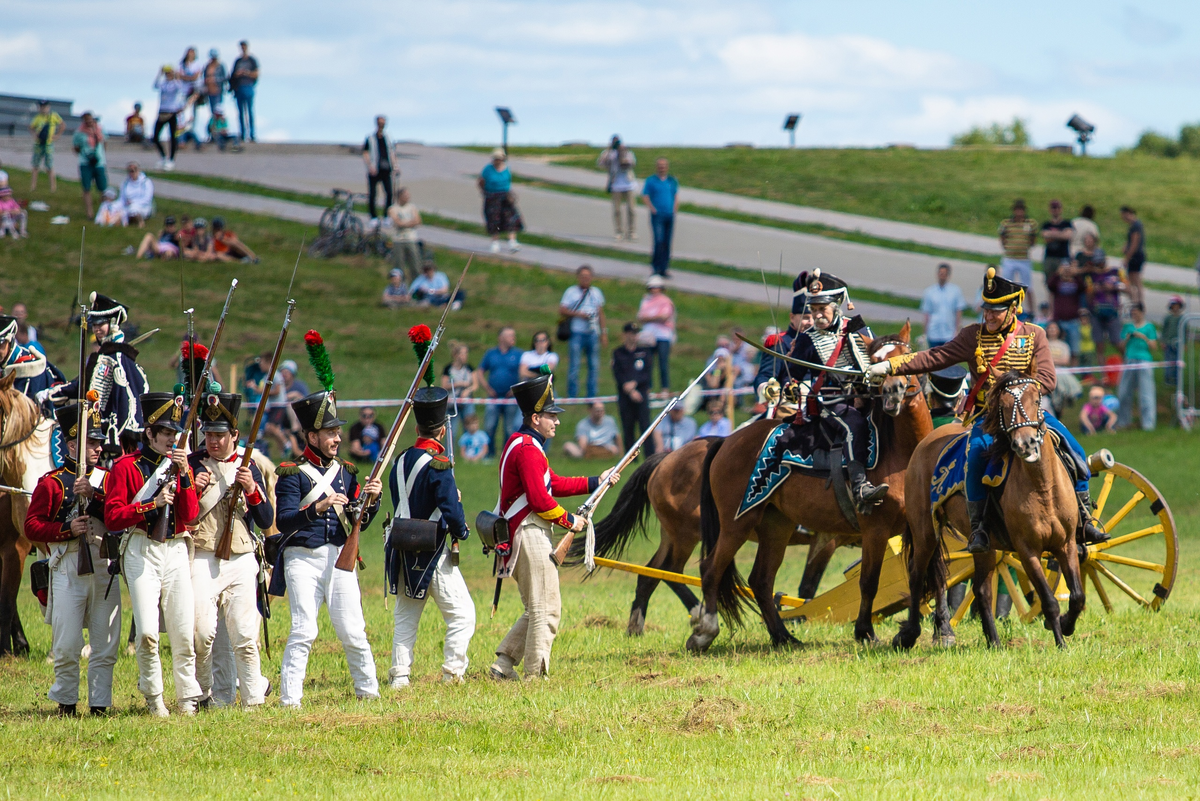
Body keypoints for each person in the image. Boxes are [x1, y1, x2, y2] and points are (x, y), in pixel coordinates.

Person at [869, 267, 1108, 553]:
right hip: (990, 419)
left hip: (1030, 417)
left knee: (1075, 450)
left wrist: (1018, 393)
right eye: (986, 310)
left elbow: (1047, 379)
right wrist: (891, 366)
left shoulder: (1035, 336)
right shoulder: (973, 336)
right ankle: (979, 528)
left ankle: (1083, 519)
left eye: (996, 311)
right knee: (977, 454)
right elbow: (935, 356)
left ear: (1013, 309)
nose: (989, 316)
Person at [270, 371, 383, 708]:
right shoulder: (291, 472)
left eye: (337, 431)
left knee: (353, 630)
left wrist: (371, 502)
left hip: (339, 557)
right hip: (301, 558)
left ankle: (369, 692)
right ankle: (290, 700)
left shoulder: (347, 472)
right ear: (311, 436)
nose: (337, 438)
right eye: (330, 432)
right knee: (304, 629)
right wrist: (317, 507)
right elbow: (284, 520)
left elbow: (357, 521)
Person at [490, 374, 611, 681]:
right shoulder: (528, 449)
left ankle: (503, 666)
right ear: (535, 417)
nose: (556, 422)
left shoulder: (526, 444)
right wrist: (571, 521)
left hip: (526, 530)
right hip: (528, 532)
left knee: (537, 607)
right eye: (551, 416)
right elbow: (540, 500)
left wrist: (598, 481)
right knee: (546, 610)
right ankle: (535, 676)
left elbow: (553, 483)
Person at [103, 389, 201, 716]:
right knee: (146, 631)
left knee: (183, 630)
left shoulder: (180, 467)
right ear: (150, 433)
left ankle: (188, 697)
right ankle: (154, 696)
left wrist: (185, 474)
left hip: (175, 550)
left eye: (176, 434)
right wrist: (151, 504)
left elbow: (189, 515)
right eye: (167, 434)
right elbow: (113, 517)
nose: (172, 440)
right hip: (141, 548)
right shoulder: (125, 468)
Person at [758, 270, 886, 508]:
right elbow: (790, 376)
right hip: (831, 401)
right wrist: (787, 377)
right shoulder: (807, 339)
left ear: (836, 307)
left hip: (869, 396)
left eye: (821, 309)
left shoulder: (859, 329)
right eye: (813, 309)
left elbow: (877, 360)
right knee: (854, 424)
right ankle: (860, 486)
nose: (816, 314)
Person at [24, 403, 118, 717]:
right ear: (72, 445)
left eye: (99, 442)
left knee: (105, 643)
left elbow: (119, 519)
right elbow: (32, 525)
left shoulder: (107, 481)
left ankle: (100, 704)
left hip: (103, 565)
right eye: (91, 442)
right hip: (67, 565)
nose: (98, 447)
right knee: (66, 644)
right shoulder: (51, 483)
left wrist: (95, 495)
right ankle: (66, 702)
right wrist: (66, 528)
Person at [188, 391, 273, 709]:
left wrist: (251, 489)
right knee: (202, 632)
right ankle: (208, 692)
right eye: (208, 434)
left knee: (243, 636)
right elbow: (183, 516)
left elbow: (266, 519)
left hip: (240, 556)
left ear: (234, 435)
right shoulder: (195, 464)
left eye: (219, 435)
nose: (213, 441)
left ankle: (252, 699)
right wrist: (194, 490)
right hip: (203, 554)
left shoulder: (249, 466)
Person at [385, 387, 474, 688]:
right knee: (463, 615)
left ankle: (400, 676)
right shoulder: (440, 465)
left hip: (401, 546)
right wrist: (462, 530)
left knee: (406, 618)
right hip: (432, 549)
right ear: (443, 428)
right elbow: (450, 509)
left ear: (417, 427)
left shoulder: (399, 461)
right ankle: (452, 673)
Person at [42, 293, 148, 458]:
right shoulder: (102, 357)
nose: (97, 329)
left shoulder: (118, 357)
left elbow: (128, 398)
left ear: (113, 323)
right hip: (97, 429)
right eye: (94, 325)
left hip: (113, 436)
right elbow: (83, 385)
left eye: (102, 324)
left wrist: (121, 436)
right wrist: (52, 392)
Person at [559, 265, 608, 398]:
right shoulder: (571, 292)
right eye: (583, 277)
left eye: (588, 277)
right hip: (577, 332)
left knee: (594, 366)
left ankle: (591, 396)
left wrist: (603, 332)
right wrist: (579, 314)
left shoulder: (596, 292)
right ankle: (572, 395)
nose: (585, 279)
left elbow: (600, 313)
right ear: (578, 277)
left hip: (592, 333)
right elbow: (562, 309)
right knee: (574, 365)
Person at [476, 327, 523, 456]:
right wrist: (487, 388)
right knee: (490, 426)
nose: (513, 338)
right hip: (493, 397)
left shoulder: (518, 354)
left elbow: (523, 373)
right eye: (509, 335)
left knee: (510, 428)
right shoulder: (491, 354)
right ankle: (489, 454)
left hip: (511, 398)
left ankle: (507, 454)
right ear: (501, 338)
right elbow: (480, 372)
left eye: (513, 335)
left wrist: (516, 389)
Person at [612, 322, 656, 458]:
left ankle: (650, 456)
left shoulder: (644, 352)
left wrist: (635, 384)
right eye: (631, 333)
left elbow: (647, 374)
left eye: (636, 333)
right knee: (628, 427)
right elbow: (618, 373)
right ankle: (631, 458)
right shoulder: (619, 353)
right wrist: (629, 389)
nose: (634, 336)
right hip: (625, 395)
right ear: (625, 334)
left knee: (645, 426)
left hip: (641, 394)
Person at [1080, 234, 1125, 362]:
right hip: (1096, 312)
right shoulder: (1091, 276)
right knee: (1099, 344)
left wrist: (1113, 287)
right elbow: (1088, 295)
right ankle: (1103, 375)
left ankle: (1128, 362)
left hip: (1112, 310)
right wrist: (1094, 289)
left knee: (1116, 341)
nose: (1098, 265)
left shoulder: (1115, 272)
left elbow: (1127, 288)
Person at [1117, 303, 1157, 431]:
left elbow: (1154, 347)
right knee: (1124, 392)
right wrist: (1128, 338)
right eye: (1132, 313)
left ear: (1141, 312)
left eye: (1136, 312)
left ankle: (1148, 424)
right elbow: (1121, 347)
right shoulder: (1128, 327)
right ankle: (1123, 421)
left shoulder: (1149, 327)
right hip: (1130, 359)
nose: (1134, 315)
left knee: (1146, 393)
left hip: (1144, 360)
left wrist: (1143, 337)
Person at [998, 199, 1038, 313]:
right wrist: (1007, 246)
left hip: (1024, 259)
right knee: (1006, 285)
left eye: (1021, 210)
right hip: (1010, 258)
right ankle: (1005, 307)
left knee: (1027, 285)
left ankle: (1031, 311)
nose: (1019, 213)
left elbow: (1033, 239)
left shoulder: (1030, 224)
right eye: (1017, 210)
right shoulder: (1006, 223)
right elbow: (1002, 237)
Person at [637, 275, 676, 391]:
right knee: (647, 363)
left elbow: (665, 317)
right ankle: (647, 388)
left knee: (663, 364)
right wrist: (656, 317)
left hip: (663, 336)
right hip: (648, 336)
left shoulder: (666, 301)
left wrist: (649, 318)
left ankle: (665, 388)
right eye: (652, 287)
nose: (654, 289)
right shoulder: (645, 300)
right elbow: (640, 317)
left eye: (657, 287)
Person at [642, 158, 679, 277]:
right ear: (657, 167)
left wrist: (674, 209)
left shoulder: (671, 181)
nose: (662, 167)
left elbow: (676, 195)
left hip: (669, 215)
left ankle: (664, 268)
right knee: (659, 241)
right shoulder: (651, 181)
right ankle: (656, 267)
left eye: (664, 165)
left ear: (667, 167)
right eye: (660, 165)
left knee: (667, 242)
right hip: (658, 215)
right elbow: (645, 195)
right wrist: (652, 208)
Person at [479, 149, 522, 253]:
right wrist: (484, 192)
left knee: (510, 219)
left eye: (500, 159)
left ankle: (512, 242)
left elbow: (508, 182)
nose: (498, 161)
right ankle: (495, 243)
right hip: (492, 197)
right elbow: (481, 181)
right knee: (494, 220)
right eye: (496, 159)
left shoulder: (507, 169)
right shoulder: (487, 170)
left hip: (505, 197)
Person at [1045, 255, 1085, 363]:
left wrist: (1075, 274)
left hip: (1073, 320)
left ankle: (1073, 372)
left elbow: (1083, 288)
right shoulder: (1057, 281)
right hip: (1059, 320)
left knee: (1074, 350)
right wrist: (1058, 273)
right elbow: (1049, 285)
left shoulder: (1076, 281)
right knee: (1058, 347)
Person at [597, 135, 637, 240]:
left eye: (618, 142)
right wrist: (609, 151)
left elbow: (632, 163)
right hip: (616, 184)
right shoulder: (610, 154)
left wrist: (623, 154)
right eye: (615, 143)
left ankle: (632, 232)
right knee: (617, 210)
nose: (617, 145)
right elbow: (600, 163)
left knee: (631, 209)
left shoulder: (628, 152)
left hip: (628, 184)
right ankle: (619, 232)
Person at [920, 263, 967, 348]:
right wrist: (925, 333)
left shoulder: (955, 291)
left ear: (948, 275)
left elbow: (958, 312)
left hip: (949, 334)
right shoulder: (930, 292)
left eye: (944, 274)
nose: (942, 276)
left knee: (949, 359)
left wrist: (958, 330)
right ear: (937, 274)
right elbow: (927, 313)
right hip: (933, 333)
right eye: (941, 273)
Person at [152, 65, 189, 170]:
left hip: (172, 112)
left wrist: (177, 75)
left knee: (172, 137)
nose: (168, 75)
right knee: (155, 137)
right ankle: (163, 157)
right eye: (167, 73)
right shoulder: (163, 84)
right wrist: (159, 73)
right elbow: (155, 85)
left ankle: (171, 159)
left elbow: (180, 87)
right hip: (162, 111)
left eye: (170, 73)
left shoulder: (175, 84)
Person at [72, 112, 107, 219]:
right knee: (86, 188)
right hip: (85, 163)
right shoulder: (79, 133)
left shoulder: (100, 130)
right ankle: (89, 213)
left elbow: (105, 143)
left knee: (103, 188)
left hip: (99, 163)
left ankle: (104, 212)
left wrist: (100, 155)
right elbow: (75, 148)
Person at [363, 116, 393, 224]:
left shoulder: (388, 138)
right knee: (373, 195)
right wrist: (370, 166)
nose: (382, 126)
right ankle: (373, 217)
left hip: (386, 169)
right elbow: (365, 152)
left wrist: (395, 166)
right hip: (375, 170)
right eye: (380, 123)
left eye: (384, 124)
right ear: (376, 124)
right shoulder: (370, 138)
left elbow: (391, 152)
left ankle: (386, 216)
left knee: (389, 193)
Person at [387, 187, 422, 280]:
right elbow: (397, 222)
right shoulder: (393, 208)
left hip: (411, 239)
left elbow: (418, 221)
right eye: (405, 195)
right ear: (400, 196)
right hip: (398, 240)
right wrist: (410, 223)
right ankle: (400, 286)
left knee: (415, 264)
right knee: (399, 265)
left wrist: (404, 223)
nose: (408, 197)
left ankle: (416, 285)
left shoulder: (412, 207)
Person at [29, 99, 64, 193]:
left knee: (49, 165)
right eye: (41, 107)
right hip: (39, 143)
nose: (43, 109)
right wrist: (34, 135)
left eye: (45, 107)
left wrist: (57, 135)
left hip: (48, 144)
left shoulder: (54, 116)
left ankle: (53, 186)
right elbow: (31, 127)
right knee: (35, 165)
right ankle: (33, 185)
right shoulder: (37, 118)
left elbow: (62, 125)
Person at [441, 343, 477, 431]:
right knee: (451, 429)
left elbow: (475, 385)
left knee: (469, 428)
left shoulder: (469, 368)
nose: (465, 356)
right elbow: (444, 386)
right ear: (456, 355)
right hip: (452, 402)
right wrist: (459, 384)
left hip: (466, 401)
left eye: (466, 353)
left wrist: (468, 390)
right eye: (462, 353)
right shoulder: (448, 369)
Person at [230, 41, 259, 143]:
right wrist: (237, 75)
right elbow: (232, 75)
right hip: (239, 88)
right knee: (241, 112)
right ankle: (242, 134)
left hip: (248, 86)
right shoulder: (238, 61)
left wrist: (246, 73)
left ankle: (252, 134)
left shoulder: (252, 60)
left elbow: (256, 73)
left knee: (250, 111)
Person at [1040, 199, 1074, 283]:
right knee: (1049, 282)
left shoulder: (1067, 223)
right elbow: (1045, 236)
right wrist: (1060, 234)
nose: (1055, 210)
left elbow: (1068, 236)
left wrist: (1052, 234)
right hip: (1049, 257)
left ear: (1060, 209)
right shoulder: (1046, 224)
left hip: (1062, 257)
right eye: (1053, 208)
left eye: (1057, 208)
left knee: (1063, 281)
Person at [1121, 206, 1147, 307]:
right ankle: (1136, 301)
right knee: (1133, 280)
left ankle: (1138, 302)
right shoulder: (1135, 225)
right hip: (1137, 255)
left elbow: (1134, 243)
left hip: (1135, 256)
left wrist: (1127, 258)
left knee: (1135, 280)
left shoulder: (1135, 226)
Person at [119, 162, 154, 227]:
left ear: (138, 170)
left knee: (133, 209)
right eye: (130, 171)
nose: (132, 173)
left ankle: (140, 221)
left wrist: (133, 202)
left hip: (143, 206)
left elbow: (147, 199)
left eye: (133, 171)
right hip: (128, 205)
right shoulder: (125, 183)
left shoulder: (146, 182)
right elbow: (122, 198)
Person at [1163, 296, 1185, 388]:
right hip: (1168, 343)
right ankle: (1168, 378)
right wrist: (1163, 341)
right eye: (1173, 306)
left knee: (1177, 361)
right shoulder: (1168, 318)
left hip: (1178, 343)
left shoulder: (1183, 319)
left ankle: (1176, 379)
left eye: (1177, 306)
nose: (1175, 308)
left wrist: (1184, 343)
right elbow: (1164, 330)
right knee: (1168, 361)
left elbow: (1185, 331)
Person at [202, 49, 227, 129]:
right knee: (212, 112)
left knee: (218, 111)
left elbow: (224, 78)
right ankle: (213, 130)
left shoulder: (221, 66)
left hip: (218, 91)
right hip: (209, 92)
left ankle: (220, 128)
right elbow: (204, 77)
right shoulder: (207, 66)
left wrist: (214, 80)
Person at [0, 171, 29, 238]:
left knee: (23, 213)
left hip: (12, 218)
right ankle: (12, 233)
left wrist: (16, 211)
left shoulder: (11, 201)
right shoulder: (0, 202)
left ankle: (23, 231)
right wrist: (9, 211)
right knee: (5, 215)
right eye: (7, 195)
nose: (9, 197)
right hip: (3, 221)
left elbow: (18, 208)